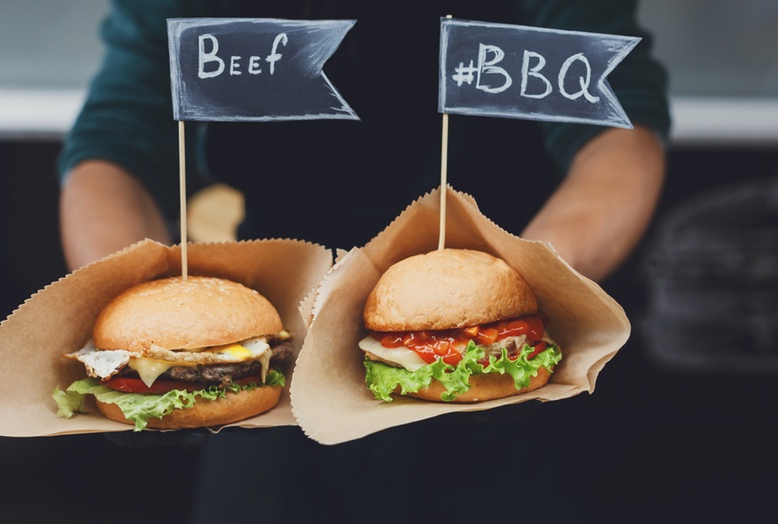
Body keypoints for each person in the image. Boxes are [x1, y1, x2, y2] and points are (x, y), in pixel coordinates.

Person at [57, 1, 670, 522]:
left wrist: (528, 280)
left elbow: (619, 130)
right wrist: (150, 339)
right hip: (279, 376)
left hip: (506, 383)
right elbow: (118, 147)